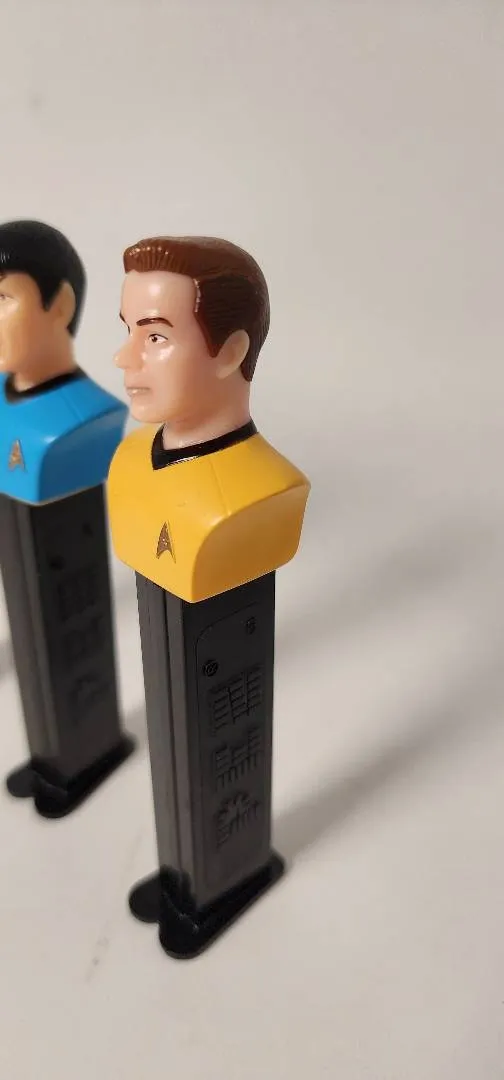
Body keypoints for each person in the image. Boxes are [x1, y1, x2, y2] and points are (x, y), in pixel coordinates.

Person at [108, 235, 310, 958]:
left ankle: (223, 876)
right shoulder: (132, 457)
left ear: (229, 352)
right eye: (127, 330)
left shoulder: (263, 489)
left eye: (156, 337)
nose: (124, 359)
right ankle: (180, 872)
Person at [0, 220, 134, 817]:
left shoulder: (88, 417)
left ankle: (80, 751)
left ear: (61, 305)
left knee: (65, 629)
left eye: (2, 298)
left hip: (64, 549)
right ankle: (49, 753)